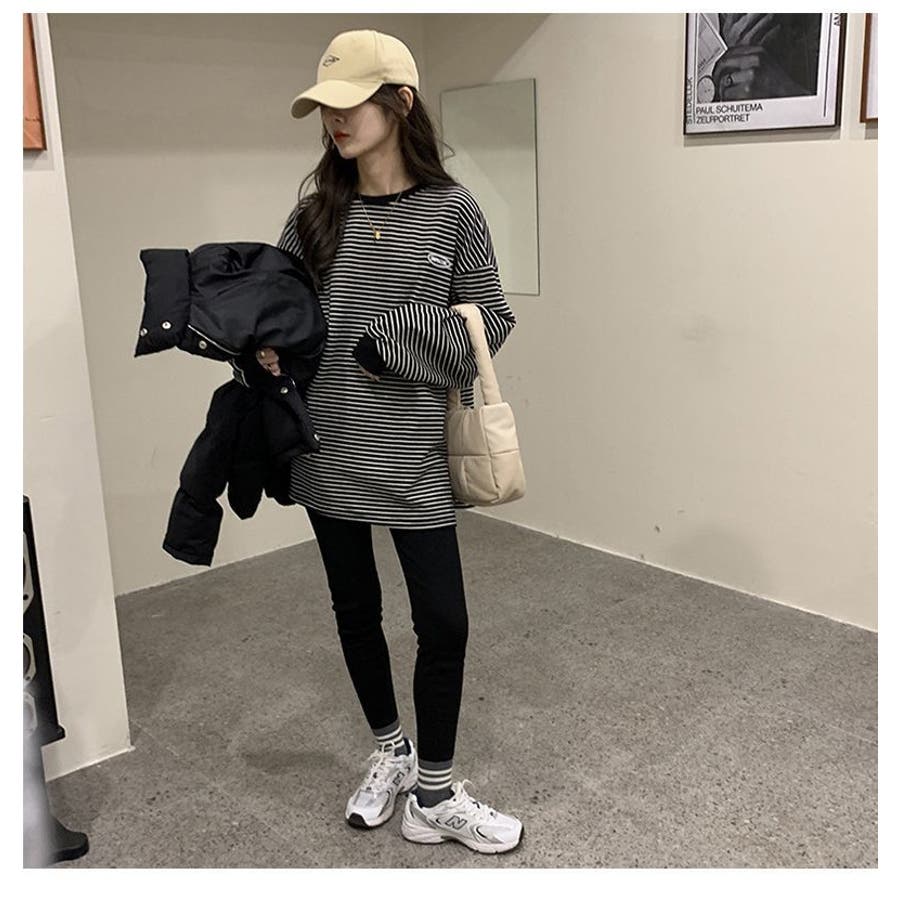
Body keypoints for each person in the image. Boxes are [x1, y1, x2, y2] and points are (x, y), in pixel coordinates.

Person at [255, 29, 523, 855]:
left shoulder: (454, 210)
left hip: (413, 456)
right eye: (324, 107)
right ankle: (393, 751)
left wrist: (401, 338)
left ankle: (434, 795)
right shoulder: (312, 217)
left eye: (350, 104)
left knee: (444, 623)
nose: (334, 121)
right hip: (327, 448)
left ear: (400, 103)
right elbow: (280, 318)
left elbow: (493, 321)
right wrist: (263, 349)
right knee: (354, 609)